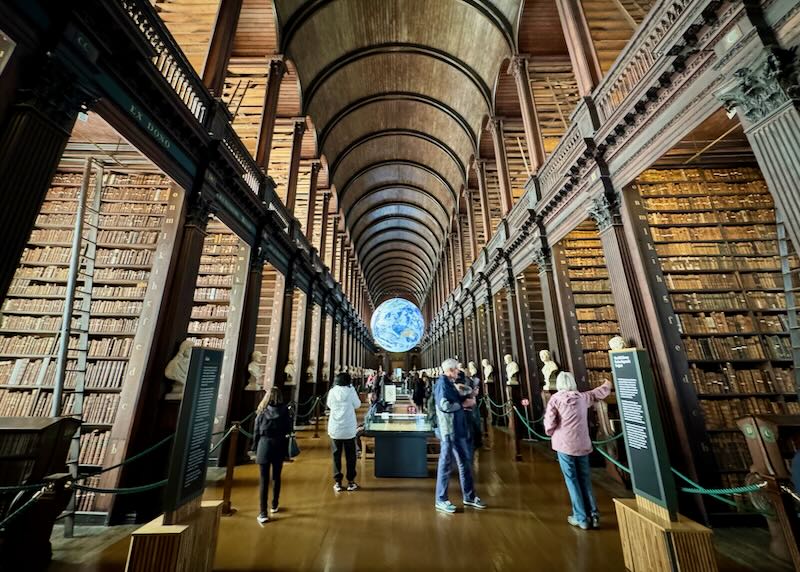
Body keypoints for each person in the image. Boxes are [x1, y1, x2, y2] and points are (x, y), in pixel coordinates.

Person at [544, 372, 613, 530]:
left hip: (564, 445)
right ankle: (594, 515)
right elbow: (598, 393)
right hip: (582, 444)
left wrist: (550, 431)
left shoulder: (555, 400)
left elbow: (549, 424)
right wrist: (608, 383)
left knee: (572, 480)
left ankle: (581, 517)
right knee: (585, 479)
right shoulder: (582, 398)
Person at [434, 358, 487, 514]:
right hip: (449, 430)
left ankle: (469, 496)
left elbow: (455, 398)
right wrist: (464, 404)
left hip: (458, 429)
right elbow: (444, 405)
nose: (459, 371)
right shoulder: (442, 384)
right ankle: (441, 499)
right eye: (456, 369)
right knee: (445, 465)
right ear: (450, 370)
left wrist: (468, 394)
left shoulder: (450, 383)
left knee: (465, 462)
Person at [252, 386, 292, 524]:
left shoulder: (262, 412)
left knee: (264, 480)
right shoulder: (285, 411)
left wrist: (254, 448)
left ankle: (263, 513)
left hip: (264, 446)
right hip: (279, 445)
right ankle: (274, 504)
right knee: (276, 477)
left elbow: (256, 432)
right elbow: (289, 429)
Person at [326, 371, 362, 492]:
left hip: (335, 428)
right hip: (348, 429)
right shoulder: (351, 391)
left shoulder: (332, 391)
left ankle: (338, 482)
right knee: (351, 456)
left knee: (336, 455)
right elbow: (357, 405)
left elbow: (329, 405)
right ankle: (351, 482)